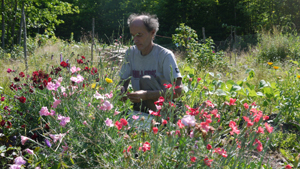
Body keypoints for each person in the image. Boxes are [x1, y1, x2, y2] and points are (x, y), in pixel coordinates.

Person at [118, 13, 182, 121]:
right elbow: (123, 81)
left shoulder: (165, 55)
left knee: (146, 80)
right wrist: (120, 91)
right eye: (133, 35)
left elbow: (178, 90)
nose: (135, 39)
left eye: (139, 35)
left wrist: (147, 95)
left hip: (164, 111)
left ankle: (164, 124)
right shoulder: (130, 53)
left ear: (152, 33)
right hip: (141, 106)